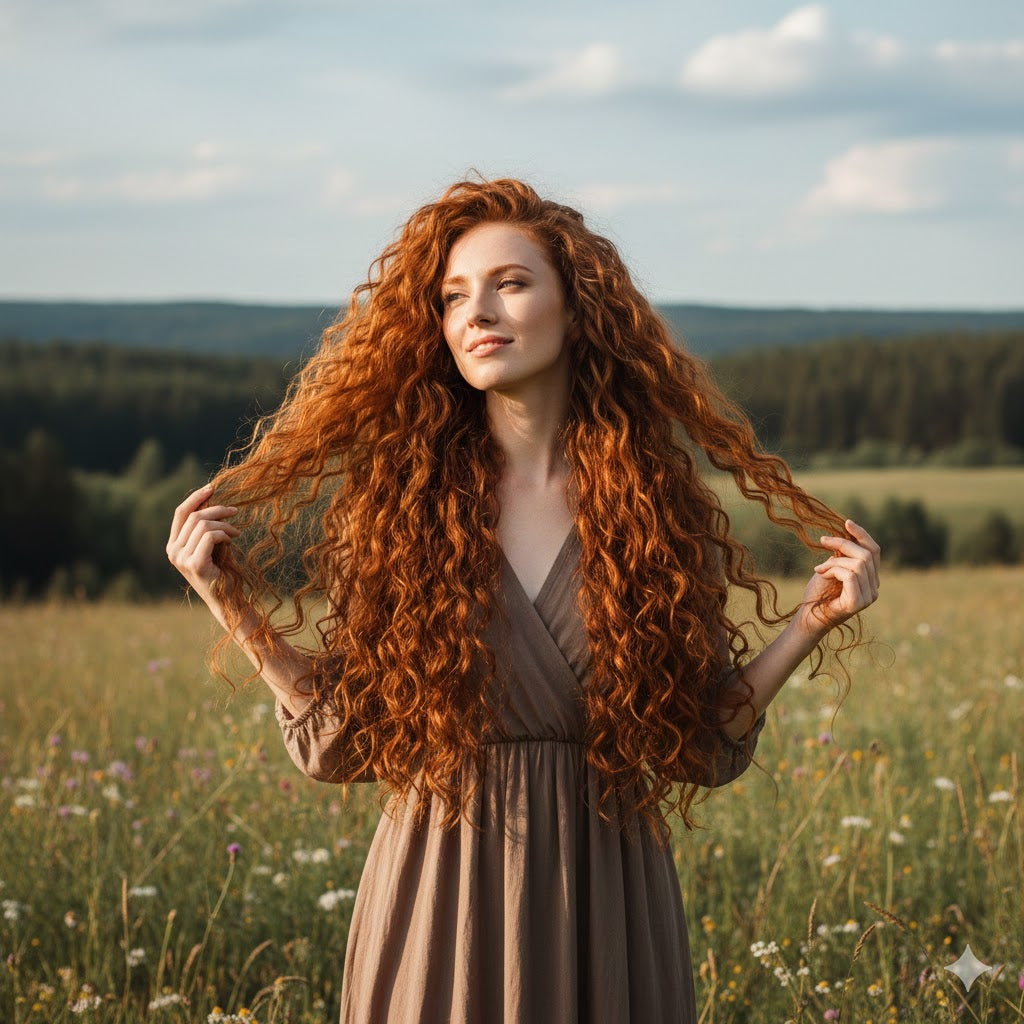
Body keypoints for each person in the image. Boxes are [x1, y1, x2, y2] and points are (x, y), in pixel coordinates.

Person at [166, 177, 881, 1023]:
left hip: (608, 902)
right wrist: (232, 608)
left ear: (577, 309)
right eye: (454, 296)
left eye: (510, 283)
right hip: (442, 900)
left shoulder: (647, 509)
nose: (478, 313)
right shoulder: (409, 506)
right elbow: (342, 741)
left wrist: (808, 625)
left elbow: (699, 745)